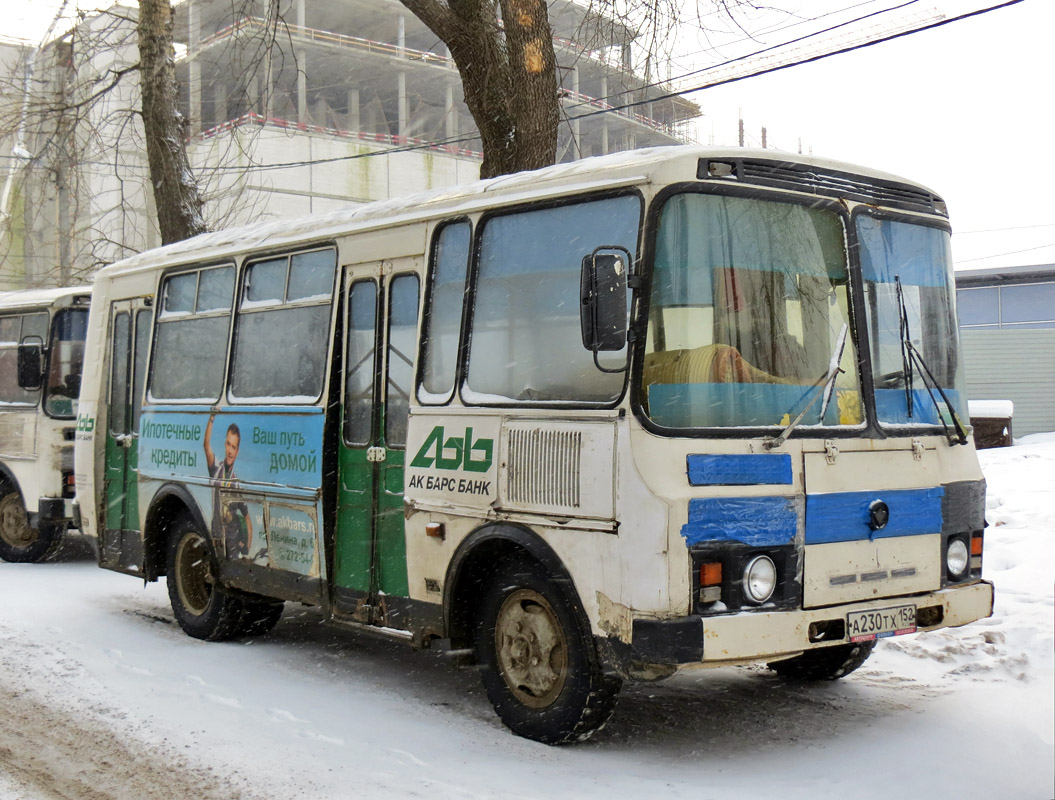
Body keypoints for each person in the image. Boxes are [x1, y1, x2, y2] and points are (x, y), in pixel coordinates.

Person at [203, 408, 253, 558]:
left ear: (237, 451)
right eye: (228, 445)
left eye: (234, 447)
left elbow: (247, 519)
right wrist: (211, 418)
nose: (230, 451)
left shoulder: (236, 483)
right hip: (217, 536)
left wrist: (246, 550)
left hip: (232, 542)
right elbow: (206, 446)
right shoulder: (216, 469)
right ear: (225, 444)